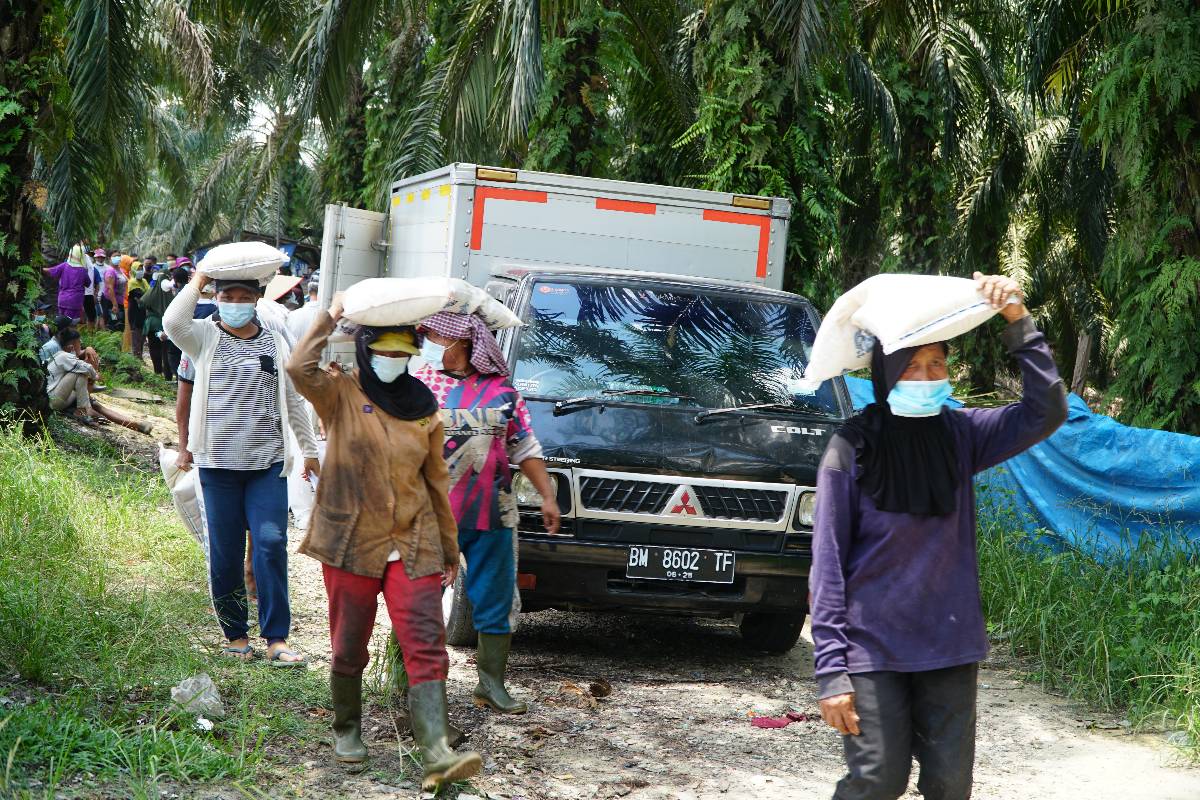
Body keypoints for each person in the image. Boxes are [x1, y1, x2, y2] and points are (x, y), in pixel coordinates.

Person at [810, 273, 1069, 800]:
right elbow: (828, 563)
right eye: (912, 364)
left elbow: (1047, 411)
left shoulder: (963, 435)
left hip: (948, 646)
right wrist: (831, 671)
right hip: (871, 649)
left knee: (950, 788)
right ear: (885, 370)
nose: (928, 376)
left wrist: (1017, 319)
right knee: (877, 781)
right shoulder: (850, 448)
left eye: (938, 363)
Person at [286, 296, 482, 789]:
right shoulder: (339, 392)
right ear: (367, 349)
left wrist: (449, 544)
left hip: (413, 540)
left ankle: (436, 751)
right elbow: (296, 365)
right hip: (351, 538)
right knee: (349, 642)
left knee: (426, 641)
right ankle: (347, 729)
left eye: (403, 350)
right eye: (386, 349)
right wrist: (329, 316)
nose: (394, 359)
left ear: (414, 353)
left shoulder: (424, 407)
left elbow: (437, 480)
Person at [163, 271, 320, 667]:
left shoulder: (272, 341)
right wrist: (198, 280)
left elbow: (293, 401)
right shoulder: (203, 337)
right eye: (227, 294)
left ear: (256, 299)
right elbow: (172, 323)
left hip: (266, 464)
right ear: (216, 298)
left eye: (243, 295)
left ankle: (277, 638)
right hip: (218, 466)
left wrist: (309, 448)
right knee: (226, 553)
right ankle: (235, 635)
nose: (235, 301)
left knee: (270, 545)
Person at [413, 311, 561, 715]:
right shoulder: (421, 385)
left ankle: (490, 684)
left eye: (438, 336)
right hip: (430, 512)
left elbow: (525, 448)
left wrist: (547, 496)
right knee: (419, 597)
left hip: (493, 512)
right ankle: (417, 686)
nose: (430, 342)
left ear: (464, 342)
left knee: (495, 597)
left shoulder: (503, 393)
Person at [47, 329, 150, 432]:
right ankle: (84, 410)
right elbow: (87, 369)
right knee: (82, 375)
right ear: (72, 346)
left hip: (66, 396)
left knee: (96, 405)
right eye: (79, 342)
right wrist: (95, 375)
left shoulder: (67, 358)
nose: (81, 345)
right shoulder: (65, 357)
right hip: (56, 400)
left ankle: (136, 424)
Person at [42, 244, 92, 323]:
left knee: (61, 323)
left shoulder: (64, 266)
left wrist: (39, 269)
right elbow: (88, 283)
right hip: (75, 302)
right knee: (71, 324)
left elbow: (50, 271)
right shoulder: (83, 270)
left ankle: (59, 335)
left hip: (62, 300)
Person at [127, 264, 152, 360]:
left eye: (142, 269)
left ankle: (140, 357)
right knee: (136, 336)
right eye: (138, 269)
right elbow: (139, 296)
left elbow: (150, 293)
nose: (140, 271)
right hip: (135, 313)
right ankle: (136, 359)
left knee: (142, 336)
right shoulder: (132, 282)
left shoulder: (144, 281)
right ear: (133, 270)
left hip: (143, 312)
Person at [102, 251, 127, 332]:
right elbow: (110, 288)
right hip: (112, 303)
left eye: (119, 256)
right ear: (110, 258)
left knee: (120, 323)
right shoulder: (110, 271)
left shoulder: (121, 270)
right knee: (113, 322)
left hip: (121, 301)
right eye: (115, 256)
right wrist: (114, 304)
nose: (118, 258)